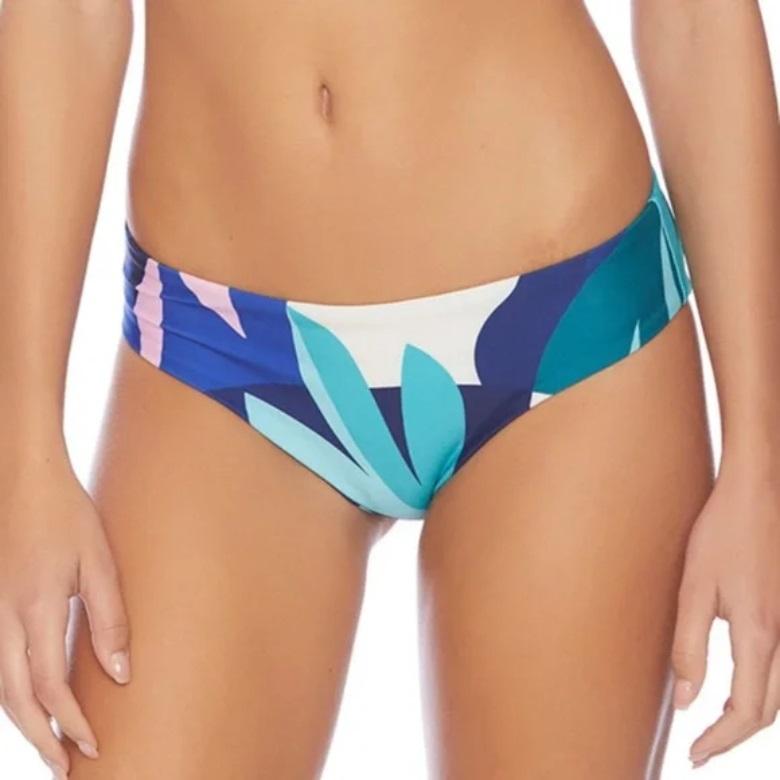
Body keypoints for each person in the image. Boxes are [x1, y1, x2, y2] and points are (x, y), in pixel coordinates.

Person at [1, 1, 778, 777]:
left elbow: (693, 18)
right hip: (216, 347)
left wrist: (760, 465)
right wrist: (23, 457)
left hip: (563, 327)